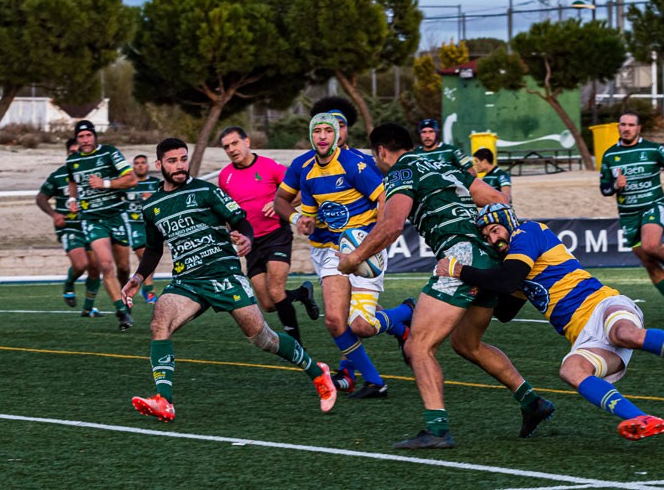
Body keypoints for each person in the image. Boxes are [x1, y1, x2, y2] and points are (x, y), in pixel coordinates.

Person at [436, 203, 664, 441]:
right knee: (570, 370)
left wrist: (459, 270)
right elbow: (504, 311)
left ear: (508, 223)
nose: (493, 238)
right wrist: (472, 290)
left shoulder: (527, 233)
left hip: (602, 305)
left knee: (624, 332)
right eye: (487, 235)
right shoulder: (514, 264)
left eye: (495, 229)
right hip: (585, 337)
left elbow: (505, 281)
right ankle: (641, 418)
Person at [337, 123, 555, 449]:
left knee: (419, 346)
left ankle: (437, 429)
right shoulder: (443, 164)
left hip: (460, 259)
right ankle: (532, 403)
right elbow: (496, 199)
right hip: (489, 260)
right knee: (467, 344)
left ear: (381, 151)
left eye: (375, 155)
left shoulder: (400, 171)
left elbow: (392, 225)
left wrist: (354, 258)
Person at [121, 137, 336, 421]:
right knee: (160, 321)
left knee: (264, 339)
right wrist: (138, 276)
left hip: (224, 273)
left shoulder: (206, 191)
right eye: (172, 161)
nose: (179, 166)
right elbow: (154, 248)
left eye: (183, 159)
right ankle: (165, 400)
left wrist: (246, 238)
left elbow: (241, 221)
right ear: (159, 165)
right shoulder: (152, 207)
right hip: (188, 280)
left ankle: (316, 372)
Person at [274, 113, 414, 400]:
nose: (324, 136)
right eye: (318, 131)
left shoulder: (355, 163)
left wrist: (374, 237)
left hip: (363, 247)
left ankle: (407, 311)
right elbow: (293, 206)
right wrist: (300, 220)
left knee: (360, 324)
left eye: (330, 130)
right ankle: (374, 381)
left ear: (338, 135)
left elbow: (384, 197)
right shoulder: (304, 168)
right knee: (335, 322)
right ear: (311, 135)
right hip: (328, 251)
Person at [218, 125, 320, 346]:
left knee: (275, 290)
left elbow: (301, 191)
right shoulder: (225, 176)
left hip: (277, 235)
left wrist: (279, 203)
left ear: (247, 142)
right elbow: (226, 212)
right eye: (226, 147)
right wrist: (231, 231)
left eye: (235, 143)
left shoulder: (270, 167)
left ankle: (296, 347)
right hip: (251, 242)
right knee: (268, 303)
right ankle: (302, 293)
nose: (231, 149)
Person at [599, 111, 664, 324]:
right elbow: (604, 188)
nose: (626, 128)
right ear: (619, 127)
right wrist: (614, 186)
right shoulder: (610, 155)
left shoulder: (652, 149)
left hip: (652, 205)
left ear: (639, 128)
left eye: (631, 124)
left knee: (651, 245)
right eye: (623, 124)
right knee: (648, 262)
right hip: (628, 215)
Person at [66, 120, 138, 331]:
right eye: (81, 137)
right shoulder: (73, 161)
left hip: (116, 215)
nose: (85, 140)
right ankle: (122, 313)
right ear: (76, 139)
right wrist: (72, 200)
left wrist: (105, 183)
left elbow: (131, 179)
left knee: (123, 268)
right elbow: (72, 181)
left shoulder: (109, 153)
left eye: (88, 136)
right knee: (106, 265)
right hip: (91, 219)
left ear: (95, 136)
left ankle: (125, 298)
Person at [36, 138, 103, 318]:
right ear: (67, 154)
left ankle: (88, 308)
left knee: (96, 268)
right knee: (81, 264)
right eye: (72, 152)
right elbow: (41, 198)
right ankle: (69, 283)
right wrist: (54, 214)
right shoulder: (58, 176)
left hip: (91, 225)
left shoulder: (92, 175)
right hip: (69, 228)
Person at [125, 154, 161, 304]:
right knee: (144, 254)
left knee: (149, 257)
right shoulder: (128, 183)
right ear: (133, 166)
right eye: (137, 163)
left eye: (143, 163)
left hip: (151, 225)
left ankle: (143, 286)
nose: (140, 165)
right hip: (133, 224)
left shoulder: (156, 183)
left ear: (148, 166)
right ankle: (149, 290)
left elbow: (165, 200)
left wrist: (152, 197)